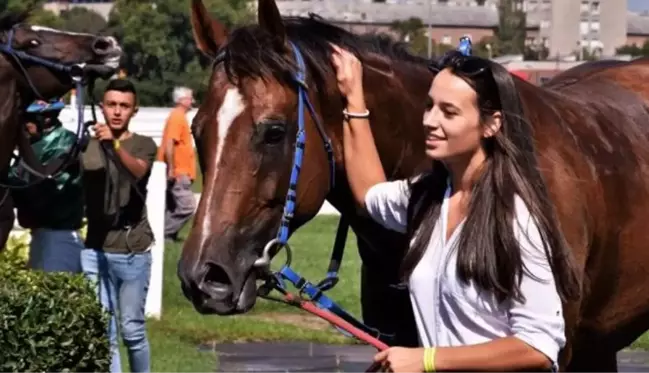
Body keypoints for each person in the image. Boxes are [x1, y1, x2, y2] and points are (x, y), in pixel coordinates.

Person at [331, 46, 580, 372]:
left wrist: (427, 360)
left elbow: (539, 345)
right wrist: (354, 98)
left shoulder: (516, 218)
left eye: (449, 112)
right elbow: (369, 195)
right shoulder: (425, 197)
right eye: (429, 106)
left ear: (491, 125)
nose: (430, 121)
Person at [80, 79, 157, 373]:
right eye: (111, 104)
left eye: (123, 106)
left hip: (132, 251)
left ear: (133, 111)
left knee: (133, 332)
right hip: (95, 251)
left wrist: (111, 144)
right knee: (104, 334)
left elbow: (137, 171)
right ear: (102, 107)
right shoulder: (86, 147)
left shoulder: (144, 145)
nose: (116, 112)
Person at [9, 100, 84, 273]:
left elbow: (42, 182)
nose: (22, 124)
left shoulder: (67, 142)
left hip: (60, 240)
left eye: (26, 119)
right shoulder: (34, 144)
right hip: (39, 236)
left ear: (47, 119)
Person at [157, 86, 196, 242]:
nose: (192, 101)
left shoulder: (179, 117)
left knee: (172, 207)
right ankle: (163, 233)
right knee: (187, 206)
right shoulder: (177, 118)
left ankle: (168, 236)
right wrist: (172, 169)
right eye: (190, 98)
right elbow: (169, 143)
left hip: (180, 171)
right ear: (182, 100)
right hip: (179, 171)